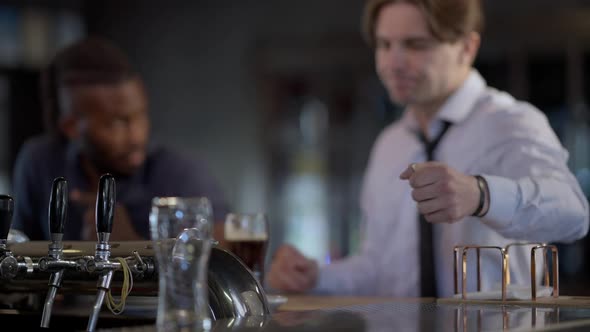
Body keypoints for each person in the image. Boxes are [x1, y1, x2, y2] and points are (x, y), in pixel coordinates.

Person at [266, 0, 589, 297]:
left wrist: (481, 194)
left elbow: (574, 214)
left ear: (466, 47)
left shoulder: (511, 123)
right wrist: (316, 278)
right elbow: (380, 264)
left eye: (415, 44)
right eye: (384, 44)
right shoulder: (390, 145)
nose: (393, 62)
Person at [11, 36, 230, 242]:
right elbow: (17, 254)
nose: (137, 135)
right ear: (71, 127)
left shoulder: (180, 173)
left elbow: (228, 257)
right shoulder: (39, 162)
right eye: (116, 123)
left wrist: (131, 246)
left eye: (141, 115)